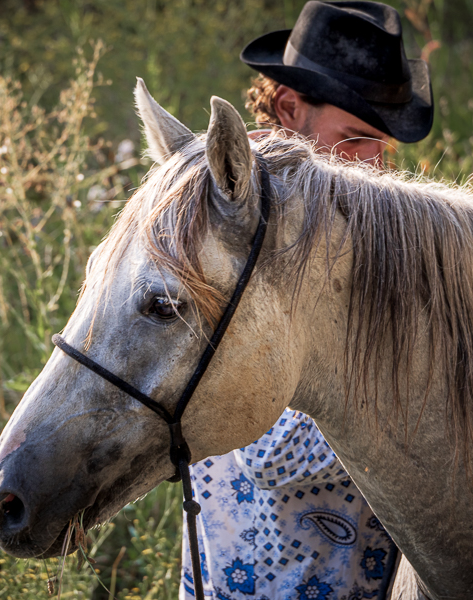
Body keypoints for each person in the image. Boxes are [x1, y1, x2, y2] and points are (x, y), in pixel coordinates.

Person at [180, 2, 434, 599]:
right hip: (249, 577)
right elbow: (269, 453)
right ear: (291, 108)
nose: (372, 165)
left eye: (381, 145)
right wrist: (418, 386)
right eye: (353, 139)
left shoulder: (361, 221)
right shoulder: (230, 218)